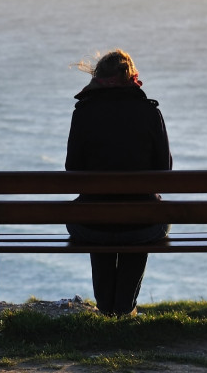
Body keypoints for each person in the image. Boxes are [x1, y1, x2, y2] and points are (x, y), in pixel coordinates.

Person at [65, 49, 172, 316]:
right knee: (143, 214)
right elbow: (164, 171)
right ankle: (124, 308)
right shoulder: (149, 113)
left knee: (97, 212)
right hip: (142, 226)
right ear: (132, 77)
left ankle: (106, 306)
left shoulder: (84, 113)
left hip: (92, 225)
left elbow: (72, 170)